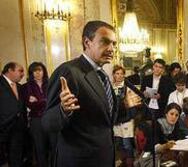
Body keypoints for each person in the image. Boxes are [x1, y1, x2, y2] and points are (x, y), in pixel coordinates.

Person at [42, 20, 142, 167]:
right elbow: (47, 123)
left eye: (114, 44)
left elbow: (103, 119)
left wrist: (123, 105)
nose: (111, 48)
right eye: (105, 42)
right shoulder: (69, 72)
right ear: (87, 42)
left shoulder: (102, 74)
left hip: (104, 157)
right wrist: (63, 110)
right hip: (80, 161)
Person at [21, 62, 52, 167]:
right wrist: (46, 101)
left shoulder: (51, 83)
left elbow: (54, 102)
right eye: (35, 71)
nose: (38, 73)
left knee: (54, 146)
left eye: (40, 70)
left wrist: (38, 101)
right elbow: (30, 105)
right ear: (31, 73)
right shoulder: (26, 87)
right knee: (40, 148)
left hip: (51, 119)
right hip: (36, 120)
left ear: (44, 71)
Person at [0, 62, 26, 167]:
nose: (23, 74)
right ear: (10, 70)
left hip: (18, 127)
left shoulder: (20, 87)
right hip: (2, 127)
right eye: (20, 70)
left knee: (16, 156)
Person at [112, 65, 138, 167]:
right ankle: (122, 161)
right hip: (115, 120)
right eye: (117, 73)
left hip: (127, 119)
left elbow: (133, 106)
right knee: (118, 143)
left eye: (121, 73)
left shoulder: (128, 88)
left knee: (127, 144)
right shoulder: (110, 86)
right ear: (113, 75)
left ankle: (130, 164)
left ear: (124, 75)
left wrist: (129, 117)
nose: (119, 76)